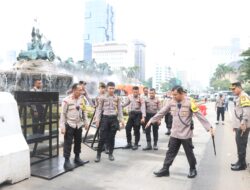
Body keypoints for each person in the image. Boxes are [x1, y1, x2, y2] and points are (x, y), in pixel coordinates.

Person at [146, 86, 214, 178]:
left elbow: (199, 115)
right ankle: (165, 169)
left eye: (175, 94)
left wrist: (209, 127)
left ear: (181, 93)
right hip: (175, 133)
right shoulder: (171, 102)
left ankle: (192, 169)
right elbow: (161, 112)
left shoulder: (190, 102)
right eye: (172, 94)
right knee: (170, 151)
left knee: (189, 152)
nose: (173, 96)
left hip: (185, 133)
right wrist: (151, 120)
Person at [60, 83, 89, 171]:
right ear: (74, 90)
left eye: (82, 90)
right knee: (68, 143)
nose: (81, 92)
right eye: (79, 90)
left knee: (78, 142)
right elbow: (63, 114)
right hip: (70, 124)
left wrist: (86, 122)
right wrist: (62, 126)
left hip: (79, 125)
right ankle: (66, 161)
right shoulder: (66, 100)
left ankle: (77, 157)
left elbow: (84, 111)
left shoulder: (82, 99)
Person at [94, 82, 124, 162]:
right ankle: (98, 155)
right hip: (105, 119)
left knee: (112, 138)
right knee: (102, 138)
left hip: (114, 119)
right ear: (107, 88)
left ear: (114, 89)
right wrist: (97, 120)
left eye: (113, 88)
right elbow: (99, 109)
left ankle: (111, 154)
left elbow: (120, 110)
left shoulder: (117, 98)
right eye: (110, 88)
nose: (111, 90)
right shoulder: (102, 98)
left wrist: (122, 120)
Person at [229, 82, 250, 171]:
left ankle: (242, 164)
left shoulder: (243, 96)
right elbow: (237, 112)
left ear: (239, 88)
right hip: (239, 125)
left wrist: (243, 123)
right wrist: (235, 125)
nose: (233, 91)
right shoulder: (239, 97)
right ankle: (241, 162)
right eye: (232, 89)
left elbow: (246, 111)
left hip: (243, 126)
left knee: (241, 144)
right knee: (239, 143)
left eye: (234, 89)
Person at [123, 86, 146, 150]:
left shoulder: (141, 98)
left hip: (138, 115)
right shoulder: (130, 96)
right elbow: (126, 103)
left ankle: (136, 144)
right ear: (132, 91)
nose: (135, 93)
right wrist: (120, 106)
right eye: (134, 92)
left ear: (138, 92)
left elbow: (143, 107)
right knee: (127, 128)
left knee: (136, 130)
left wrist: (143, 117)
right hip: (131, 114)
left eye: (136, 92)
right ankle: (129, 143)